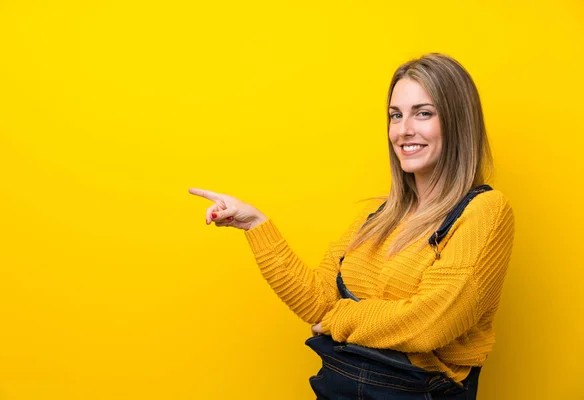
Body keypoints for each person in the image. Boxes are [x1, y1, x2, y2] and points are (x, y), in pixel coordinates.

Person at [189, 53, 515, 399]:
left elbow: (428, 325)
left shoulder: (484, 212)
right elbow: (318, 301)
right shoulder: (379, 215)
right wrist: (256, 225)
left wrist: (337, 319)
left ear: (457, 121)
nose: (404, 130)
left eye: (423, 113)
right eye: (395, 115)